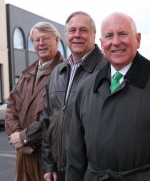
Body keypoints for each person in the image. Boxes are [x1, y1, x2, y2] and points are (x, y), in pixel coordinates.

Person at [65, 12, 150, 181]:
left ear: (138, 39)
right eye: (108, 36)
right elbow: (75, 154)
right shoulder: (86, 87)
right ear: (102, 44)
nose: (116, 41)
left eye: (123, 34)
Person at [42, 11, 108, 181]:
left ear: (94, 35)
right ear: (66, 35)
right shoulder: (57, 72)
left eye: (83, 30)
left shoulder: (107, 70)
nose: (77, 35)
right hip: (61, 170)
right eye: (72, 30)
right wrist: (49, 164)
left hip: (94, 172)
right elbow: (48, 121)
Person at [5, 22, 64, 181]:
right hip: (22, 156)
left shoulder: (65, 73)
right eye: (37, 40)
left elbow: (57, 118)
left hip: (48, 160)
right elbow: (11, 107)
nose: (41, 43)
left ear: (57, 40)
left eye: (46, 39)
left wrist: (25, 137)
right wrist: (17, 136)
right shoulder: (26, 74)